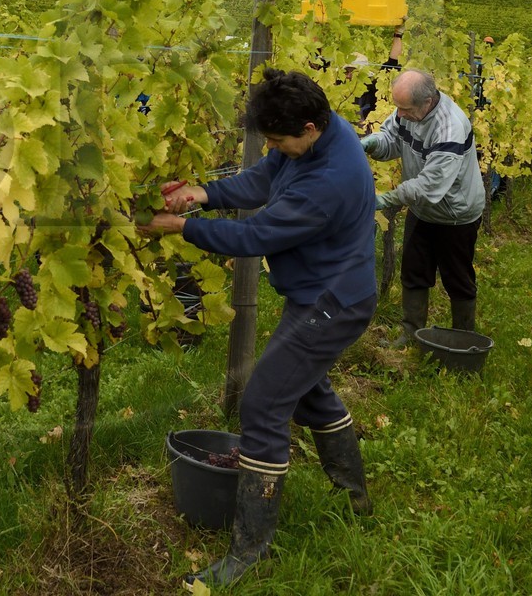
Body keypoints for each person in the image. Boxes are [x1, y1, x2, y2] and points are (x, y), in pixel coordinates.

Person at [147, 69, 377, 588]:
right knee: (307, 390)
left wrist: (181, 227)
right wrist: (201, 194)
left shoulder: (330, 180)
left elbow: (255, 235)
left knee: (265, 403)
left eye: (278, 141)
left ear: (312, 128)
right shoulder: (309, 135)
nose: (272, 148)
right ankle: (354, 497)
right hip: (321, 293)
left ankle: (251, 550)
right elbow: (263, 178)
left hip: (334, 302)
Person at [360, 68, 486, 345]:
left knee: (457, 278)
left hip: (456, 213)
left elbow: (429, 185)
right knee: (414, 271)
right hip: (423, 210)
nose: (400, 114)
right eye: (398, 108)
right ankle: (411, 333)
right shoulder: (408, 110)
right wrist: (371, 144)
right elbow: (392, 140)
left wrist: (383, 201)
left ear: (427, 102)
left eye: (405, 109)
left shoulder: (449, 127)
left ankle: (464, 339)